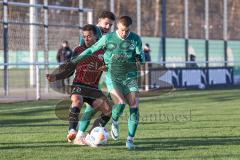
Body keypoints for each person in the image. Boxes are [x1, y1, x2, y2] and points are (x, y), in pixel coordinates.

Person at [71, 16, 145, 149]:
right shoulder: (106, 37)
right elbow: (91, 49)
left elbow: (141, 56)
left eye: (126, 31)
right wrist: (76, 59)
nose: (124, 33)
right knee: (114, 104)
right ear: (118, 27)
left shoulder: (135, 39)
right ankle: (85, 133)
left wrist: (140, 58)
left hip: (129, 77)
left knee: (134, 105)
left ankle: (129, 140)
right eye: (122, 30)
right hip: (111, 77)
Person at [46, 24, 112, 145]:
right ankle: (72, 130)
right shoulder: (78, 50)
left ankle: (92, 135)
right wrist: (56, 77)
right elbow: (70, 70)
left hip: (93, 88)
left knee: (108, 110)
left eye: (89, 36)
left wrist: (107, 68)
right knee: (77, 101)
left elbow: (110, 67)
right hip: (79, 85)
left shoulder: (104, 51)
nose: (86, 39)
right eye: (84, 36)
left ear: (96, 37)